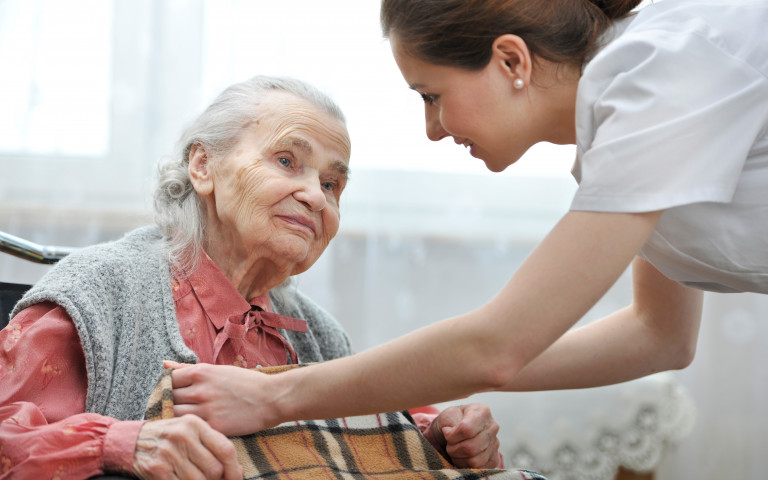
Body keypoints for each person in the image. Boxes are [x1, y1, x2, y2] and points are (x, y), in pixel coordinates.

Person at [168, 0, 768, 439]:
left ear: (511, 60)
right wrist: (407, 392)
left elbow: (496, 347)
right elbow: (657, 336)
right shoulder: (623, 131)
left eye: (431, 95)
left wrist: (275, 396)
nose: (432, 129)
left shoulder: (656, 74)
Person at [0, 75, 503, 480]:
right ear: (203, 165)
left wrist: (438, 438)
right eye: (287, 161)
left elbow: (351, 446)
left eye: (332, 184)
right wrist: (121, 443)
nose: (316, 196)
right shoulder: (99, 292)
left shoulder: (320, 335)